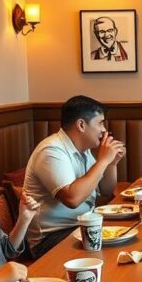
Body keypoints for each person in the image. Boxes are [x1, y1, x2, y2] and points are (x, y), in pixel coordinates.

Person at [24, 95, 125, 259]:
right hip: (50, 239)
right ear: (81, 125)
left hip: (82, 227)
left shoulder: (83, 149)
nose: (104, 130)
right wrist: (103, 160)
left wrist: (111, 164)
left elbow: (106, 190)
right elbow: (73, 198)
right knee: (113, 254)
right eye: (99, 123)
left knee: (125, 240)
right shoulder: (51, 151)